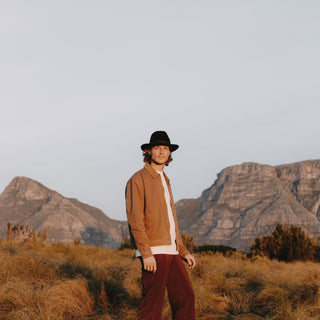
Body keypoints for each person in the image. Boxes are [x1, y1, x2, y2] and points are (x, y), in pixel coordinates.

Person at [125, 130, 196, 320]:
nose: (162, 152)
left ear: (170, 153)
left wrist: (182, 250)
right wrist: (146, 254)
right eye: (157, 148)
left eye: (165, 148)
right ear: (148, 152)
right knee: (152, 305)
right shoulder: (138, 179)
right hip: (154, 251)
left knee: (185, 296)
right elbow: (135, 220)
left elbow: (171, 222)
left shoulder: (165, 180)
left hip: (172, 251)